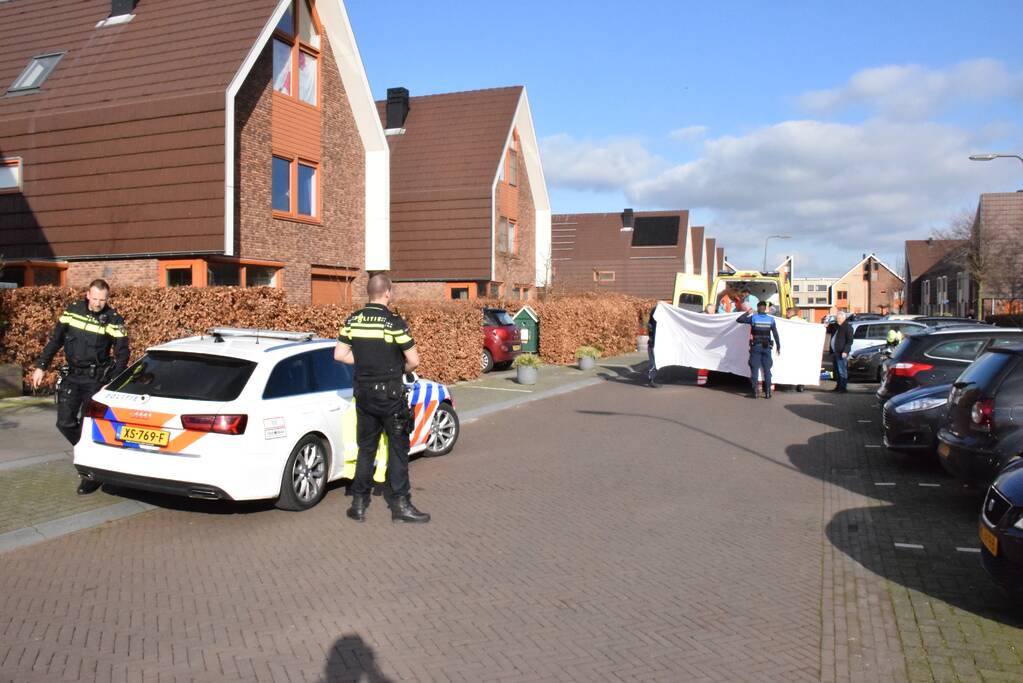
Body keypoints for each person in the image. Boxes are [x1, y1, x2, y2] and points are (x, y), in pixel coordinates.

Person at [335, 274, 429, 523]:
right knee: (398, 450)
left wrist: (365, 364)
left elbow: (339, 355)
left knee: (366, 449)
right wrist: (395, 369)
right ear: (387, 292)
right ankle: (401, 505)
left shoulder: (353, 320)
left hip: (363, 395)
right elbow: (413, 361)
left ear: (369, 292)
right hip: (390, 396)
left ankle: (358, 504)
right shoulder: (394, 323)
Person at [31, 279, 129, 494]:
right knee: (64, 423)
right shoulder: (73, 311)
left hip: (96, 380)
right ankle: (90, 452)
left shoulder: (113, 319)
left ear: (107, 299)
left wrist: (111, 382)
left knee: (88, 426)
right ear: (87, 295)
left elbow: (123, 355)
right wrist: (41, 367)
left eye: (102, 300)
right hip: (72, 377)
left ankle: (89, 476)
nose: (98, 303)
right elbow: (56, 340)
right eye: (94, 298)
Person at [737, 300, 781, 398]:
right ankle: (768, 392)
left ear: (757, 308)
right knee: (767, 370)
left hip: (756, 347)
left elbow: (739, 320)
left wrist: (747, 312)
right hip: (767, 347)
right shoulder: (771, 319)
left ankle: (755, 392)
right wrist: (778, 346)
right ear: (765, 309)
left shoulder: (753, 318)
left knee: (754, 369)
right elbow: (775, 334)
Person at [830, 310, 853, 393]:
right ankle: (838, 386)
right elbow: (829, 329)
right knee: (836, 371)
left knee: (842, 371)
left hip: (841, 352)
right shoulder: (836, 326)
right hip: (835, 352)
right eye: (837, 318)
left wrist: (845, 351)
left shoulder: (847, 327)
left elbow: (849, 341)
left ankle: (843, 388)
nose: (837, 320)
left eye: (839, 318)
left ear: (844, 318)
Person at [646, 305, 659, 388]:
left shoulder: (653, 323)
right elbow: (651, 333)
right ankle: (651, 380)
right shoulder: (653, 323)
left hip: (654, 343)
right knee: (653, 363)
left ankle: (652, 378)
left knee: (655, 362)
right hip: (652, 344)